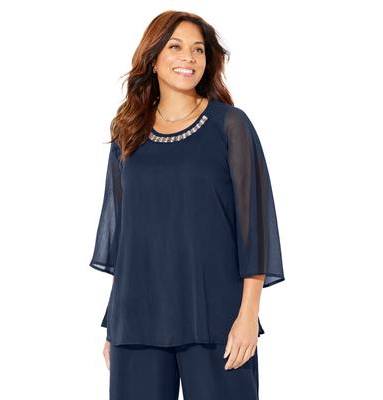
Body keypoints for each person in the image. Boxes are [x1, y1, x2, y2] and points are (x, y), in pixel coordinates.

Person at [89, 10, 285, 400]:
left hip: (215, 315)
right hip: (137, 319)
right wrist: (115, 324)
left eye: (198, 50)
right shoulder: (128, 132)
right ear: (153, 58)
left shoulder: (230, 125)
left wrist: (248, 316)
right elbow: (126, 236)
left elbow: (254, 227)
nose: (189, 58)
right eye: (175, 47)